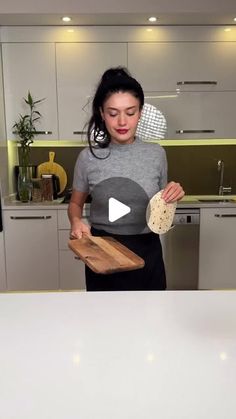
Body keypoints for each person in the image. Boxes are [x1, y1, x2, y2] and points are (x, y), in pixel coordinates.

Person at [68, 67, 184, 291]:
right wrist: (76, 221)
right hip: (103, 252)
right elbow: (75, 203)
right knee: (104, 321)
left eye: (130, 112)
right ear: (102, 113)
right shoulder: (88, 157)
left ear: (140, 112)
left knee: (150, 320)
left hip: (148, 252)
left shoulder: (156, 154)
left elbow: (161, 210)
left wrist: (173, 194)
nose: (122, 121)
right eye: (113, 113)